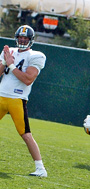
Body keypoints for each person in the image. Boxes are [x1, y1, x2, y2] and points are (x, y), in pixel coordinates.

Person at [0, 25, 47, 177]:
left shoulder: (36, 56)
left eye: (25, 38)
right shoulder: (9, 51)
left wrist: (11, 64)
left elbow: (27, 79)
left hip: (17, 99)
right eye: (20, 37)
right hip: (1, 96)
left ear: (31, 40)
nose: (22, 40)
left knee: (25, 134)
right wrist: (4, 61)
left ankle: (41, 168)